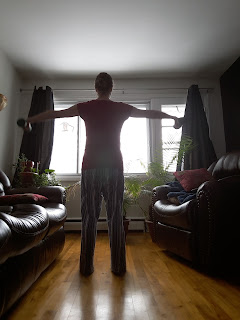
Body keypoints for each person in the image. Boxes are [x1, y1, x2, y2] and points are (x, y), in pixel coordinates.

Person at [27, 72, 183, 276]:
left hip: (90, 168)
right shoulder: (121, 108)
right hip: (114, 168)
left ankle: (86, 267)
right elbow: (150, 114)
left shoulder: (85, 107)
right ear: (111, 88)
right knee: (115, 218)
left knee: (89, 218)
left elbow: (57, 114)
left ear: (96, 88)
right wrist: (172, 117)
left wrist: (31, 119)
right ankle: (118, 267)